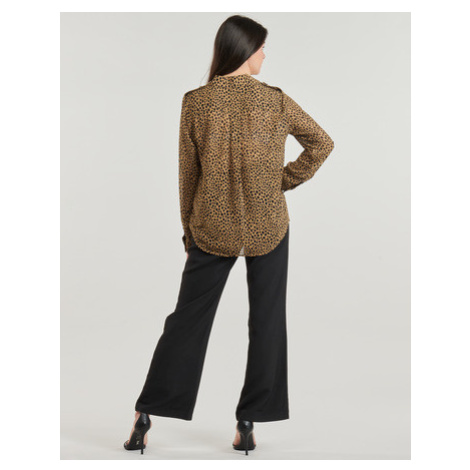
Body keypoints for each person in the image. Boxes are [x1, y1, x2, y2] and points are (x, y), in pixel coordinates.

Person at [124, 14, 335, 456]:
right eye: (262, 47)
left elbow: (187, 176)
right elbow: (321, 143)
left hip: (210, 227)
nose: (265, 55)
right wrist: (282, 181)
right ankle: (248, 421)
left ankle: (145, 415)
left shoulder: (196, 102)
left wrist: (189, 235)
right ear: (245, 49)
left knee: (186, 321)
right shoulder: (274, 100)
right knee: (267, 322)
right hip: (268, 223)